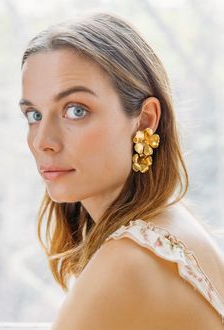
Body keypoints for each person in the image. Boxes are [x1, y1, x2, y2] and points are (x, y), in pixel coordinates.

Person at [19, 10, 224, 329]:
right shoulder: (169, 223)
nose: (43, 141)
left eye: (76, 110)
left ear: (144, 120)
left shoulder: (129, 261)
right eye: (33, 115)